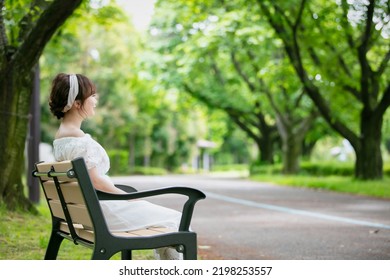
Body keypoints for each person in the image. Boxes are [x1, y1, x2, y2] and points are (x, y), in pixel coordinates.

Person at [49, 73, 182, 260]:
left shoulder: (61, 138)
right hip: (104, 214)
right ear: (77, 103)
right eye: (92, 95)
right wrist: (129, 198)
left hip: (86, 213)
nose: (95, 100)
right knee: (177, 220)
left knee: (168, 219)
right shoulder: (79, 140)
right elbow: (96, 182)